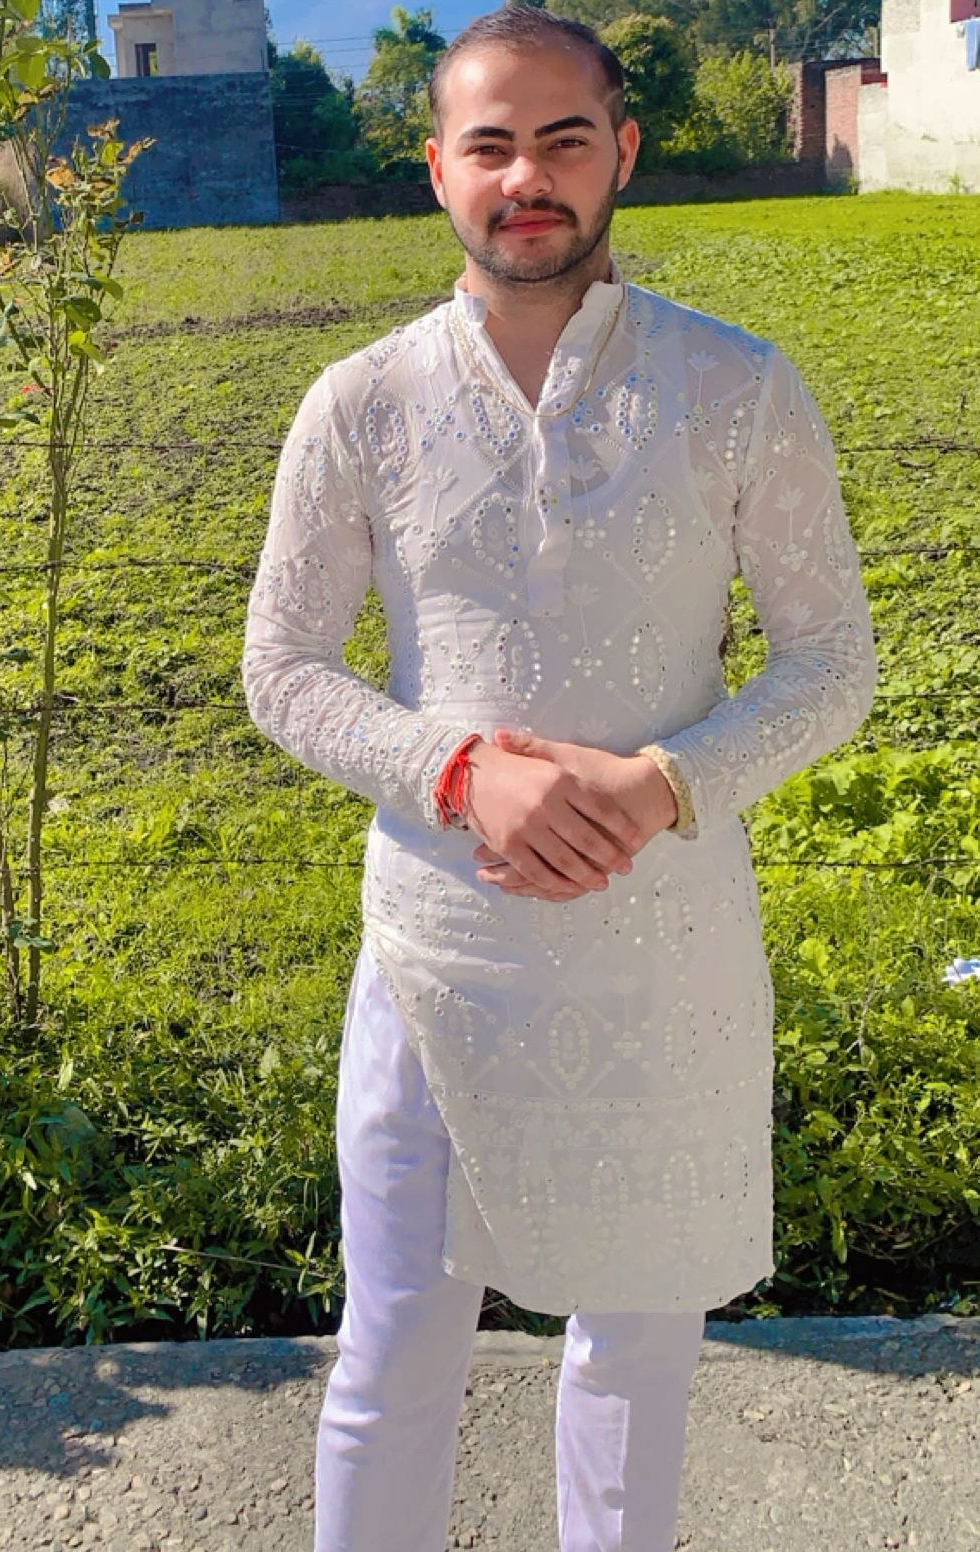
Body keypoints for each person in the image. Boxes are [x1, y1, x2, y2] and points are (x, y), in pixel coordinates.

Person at [242, 8, 879, 1550]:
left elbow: (828, 665)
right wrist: (458, 769)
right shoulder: (362, 402)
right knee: (394, 1353)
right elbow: (284, 669)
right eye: (489, 145)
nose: (524, 177)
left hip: (663, 951)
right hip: (438, 953)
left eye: (561, 140)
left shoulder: (736, 386)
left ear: (621, 154)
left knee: (637, 1358)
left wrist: (662, 785)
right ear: (436, 170)